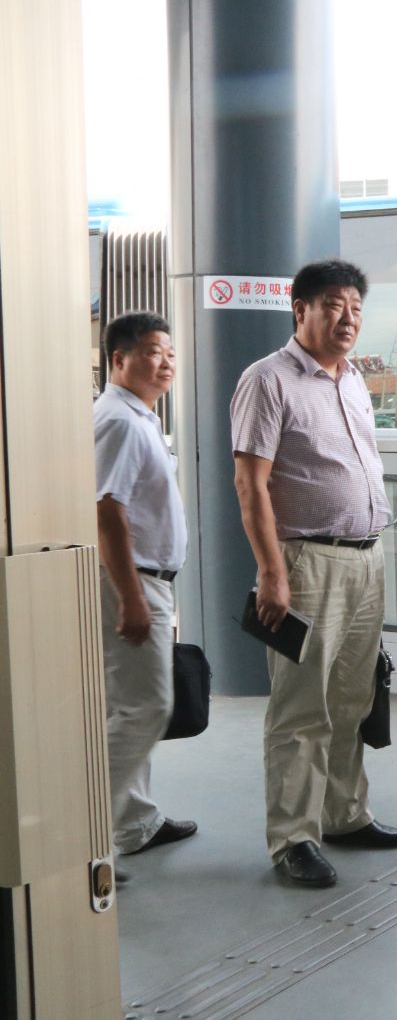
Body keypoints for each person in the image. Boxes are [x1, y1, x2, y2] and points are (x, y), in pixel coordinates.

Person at [231, 258, 397, 890]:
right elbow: (250, 484)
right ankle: (293, 839)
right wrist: (271, 573)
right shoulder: (268, 380)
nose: (348, 318)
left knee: (353, 699)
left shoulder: (353, 380)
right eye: (334, 305)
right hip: (306, 563)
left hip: (366, 558)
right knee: (302, 707)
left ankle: (343, 814)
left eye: (356, 307)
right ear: (299, 308)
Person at [94, 312, 196, 877]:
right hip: (134, 581)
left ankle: (134, 825)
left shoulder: (137, 417)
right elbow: (106, 509)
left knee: (124, 703)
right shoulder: (120, 421)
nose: (166, 363)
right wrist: (131, 597)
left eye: (170, 353)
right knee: (147, 707)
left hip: (145, 578)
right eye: (154, 352)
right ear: (119, 359)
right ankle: (81, 839)